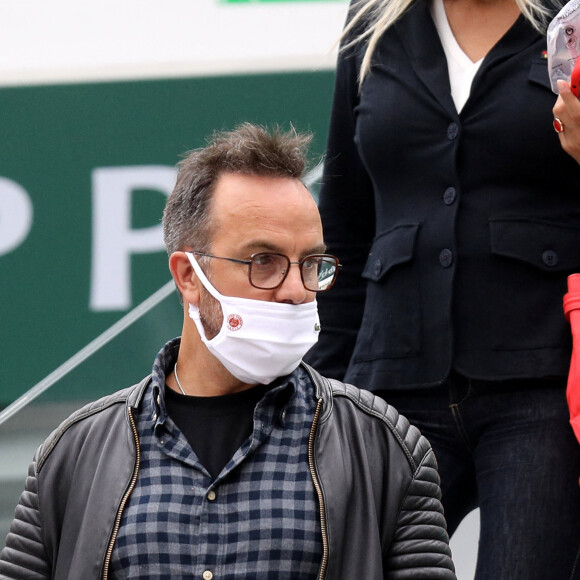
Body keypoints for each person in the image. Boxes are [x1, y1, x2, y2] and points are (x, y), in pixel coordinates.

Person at [0, 124, 455, 579]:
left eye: (312, 264)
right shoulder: (72, 456)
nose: (297, 290)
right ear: (189, 276)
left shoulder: (386, 447)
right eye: (264, 262)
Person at [304, 0, 580, 578]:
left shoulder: (569, 22)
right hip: (392, 379)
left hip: (540, 384)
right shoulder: (371, 22)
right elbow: (345, 228)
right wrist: (318, 393)